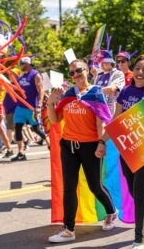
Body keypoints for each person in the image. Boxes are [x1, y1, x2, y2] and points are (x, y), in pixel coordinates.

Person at [97, 56, 144, 249]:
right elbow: (117, 119)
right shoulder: (126, 91)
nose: (140, 72)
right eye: (137, 68)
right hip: (128, 149)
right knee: (134, 191)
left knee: (140, 193)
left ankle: (140, 240)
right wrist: (102, 141)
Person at [47, 59, 117, 243]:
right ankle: (68, 229)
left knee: (95, 186)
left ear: (87, 70)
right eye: (71, 73)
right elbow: (55, 120)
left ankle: (111, 211)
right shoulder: (69, 93)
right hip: (68, 146)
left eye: (79, 70)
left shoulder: (95, 93)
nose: (75, 75)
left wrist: (102, 144)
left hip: (90, 146)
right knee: (69, 188)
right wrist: (50, 103)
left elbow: (101, 120)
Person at [11, 57, 50, 161]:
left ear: (27, 64)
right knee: (17, 128)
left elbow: (40, 90)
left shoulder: (35, 74)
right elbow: (18, 91)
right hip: (20, 107)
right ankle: (21, 152)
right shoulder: (20, 77)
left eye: (22, 64)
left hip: (32, 107)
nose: (20, 66)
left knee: (36, 128)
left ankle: (49, 143)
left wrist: (39, 105)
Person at [92, 50, 125, 115]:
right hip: (98, 112)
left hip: (110, 113)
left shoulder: (118, 74)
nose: (101, 65)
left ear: (111, 62)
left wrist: (90, 92)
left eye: (104, 62)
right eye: (100, 62)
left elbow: (111, 89)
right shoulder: (99, 76)